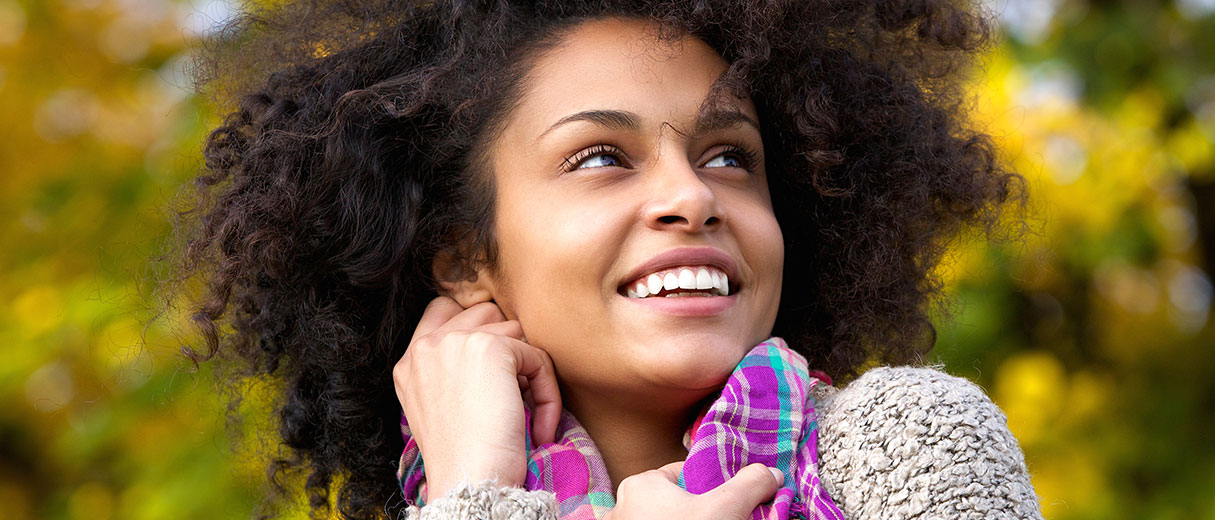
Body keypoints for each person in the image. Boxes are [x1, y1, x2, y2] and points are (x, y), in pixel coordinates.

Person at [174, 0, 1042, 518]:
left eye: (730, 155)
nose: (694, 196)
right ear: (465, 260)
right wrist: (476, 484)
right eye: (600, 156)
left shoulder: (905, 441)